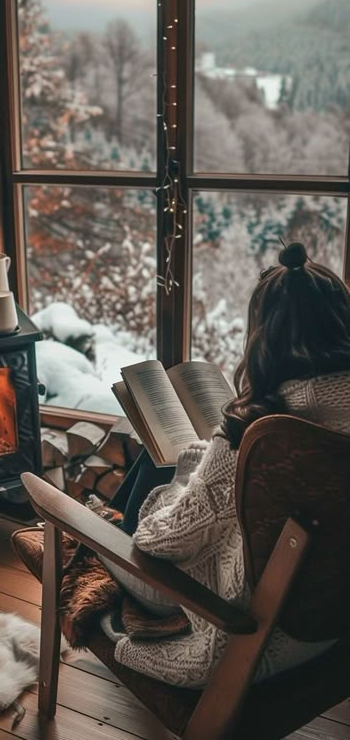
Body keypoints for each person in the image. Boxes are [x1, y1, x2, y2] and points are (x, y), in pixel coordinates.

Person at [99, 242, 350, 688]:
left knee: (127, 512)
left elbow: (161, 543)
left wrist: (185, 475)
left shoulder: (260, 429)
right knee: (167, 474)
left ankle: (102, 523)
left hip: (250, 634)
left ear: (262, 334)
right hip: (330, 623)